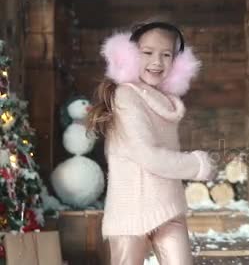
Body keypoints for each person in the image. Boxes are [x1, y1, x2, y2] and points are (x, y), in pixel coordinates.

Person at [87, 22, 216, 265]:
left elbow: (165, 154)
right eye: (147, 53)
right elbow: (148, 154)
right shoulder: (125, 95)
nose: (157, 62)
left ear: (177, 63)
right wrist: (197, 165)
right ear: (131, 55)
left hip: (167, 207)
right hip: (131, 213)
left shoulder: (165, 100)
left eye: (166, 55)